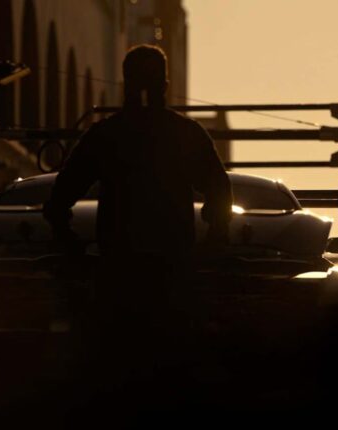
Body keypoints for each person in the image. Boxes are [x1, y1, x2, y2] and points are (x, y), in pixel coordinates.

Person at [43, 44, 232, 424]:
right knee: (173, 376)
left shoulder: (106, 135)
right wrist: (210, 245)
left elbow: (57, 202)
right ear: (164, 84)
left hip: (118, 273)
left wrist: (75, 249)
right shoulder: (185, 134)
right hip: (172, 274)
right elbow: (219, 193)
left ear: (125, 83)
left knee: (115, 376)